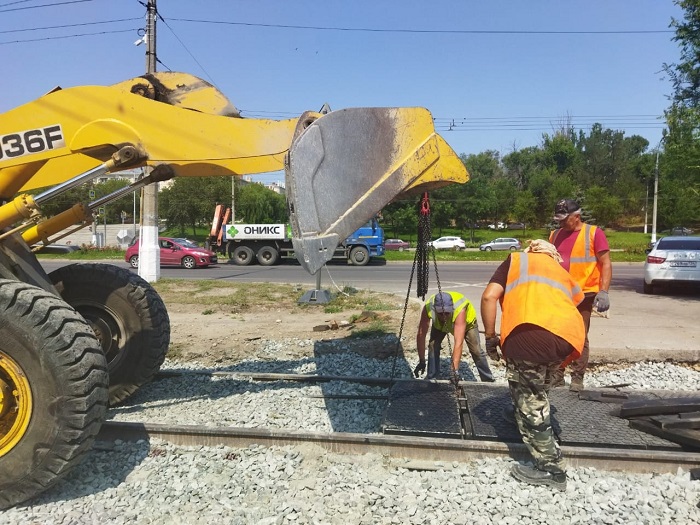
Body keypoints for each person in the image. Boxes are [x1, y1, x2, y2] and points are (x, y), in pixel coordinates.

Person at [480, 239, 585, 490]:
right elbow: (576, 301)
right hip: (567, 336)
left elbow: (488, 297)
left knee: (531, 399)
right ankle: (522, 414)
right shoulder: (559, 270)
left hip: (529, 336)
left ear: (531, 250)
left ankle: (552, 469)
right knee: (537, 387)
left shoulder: (517, 260)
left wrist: (491, 337)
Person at [549, 199, 612, 392]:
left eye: (564, 219)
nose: (560, 223)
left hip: (585, 294)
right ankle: (557, 375)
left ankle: (577, 376)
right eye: (558, 219)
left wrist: (604, 291)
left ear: (576, 217)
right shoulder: (555, 234)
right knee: (557, 334)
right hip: (560, 294)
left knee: (580, 335)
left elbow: (606, 263)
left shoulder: (594, 233)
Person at [414, 291, 495, 384]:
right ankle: (432, 377)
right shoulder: (428, 307)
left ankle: (488, 380)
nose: (444, 316)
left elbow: (458, 342)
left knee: (476, 350)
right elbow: (421, 335)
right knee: (433, 345)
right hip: (440, 326)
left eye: (447, 313)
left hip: (467, 325)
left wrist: (454, 371)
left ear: (451, 308)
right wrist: (422, 361)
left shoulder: (460, 309)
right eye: (440, 313)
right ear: (435, 309)